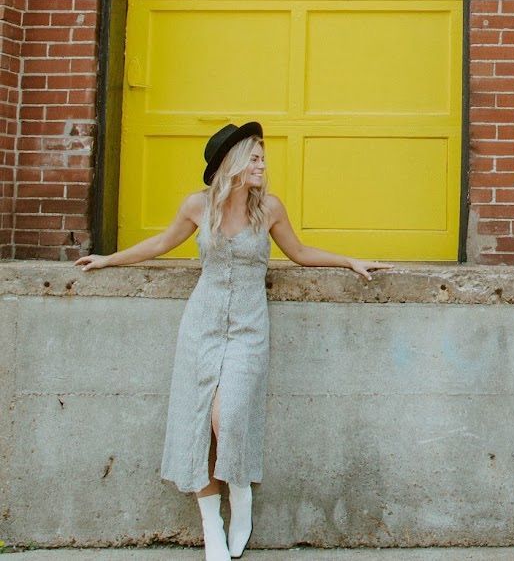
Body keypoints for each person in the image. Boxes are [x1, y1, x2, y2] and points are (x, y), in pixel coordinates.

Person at [75, 122, 391, 561]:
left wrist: (348, 260)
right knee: (197, 421)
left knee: (229, 416)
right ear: (233, 163)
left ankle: (240, 495)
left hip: (248, 327)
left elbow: (299, 254)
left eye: (263, 159)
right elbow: (161, 244)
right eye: (255, 158)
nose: (263, 165)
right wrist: (109, 258)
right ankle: (211, 525)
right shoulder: (196, 207)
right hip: (201, 324)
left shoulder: (271, 210)